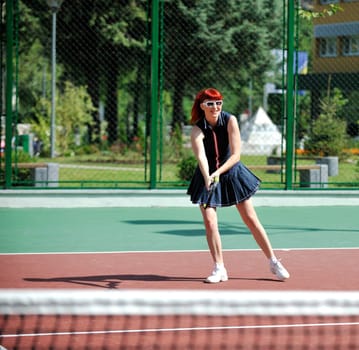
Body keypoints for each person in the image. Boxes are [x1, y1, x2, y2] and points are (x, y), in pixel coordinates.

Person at [187, 88, 290, 283]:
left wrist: (217, 173)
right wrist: (208, 176)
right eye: (210, 103)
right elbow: (201, 155)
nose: (215, 107)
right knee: (210, 221)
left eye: (219, 103)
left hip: (231, 173)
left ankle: (273, 261)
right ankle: (219, 268)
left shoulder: (230, 120)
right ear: (202, 106)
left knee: (250, 218)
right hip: (206, 176)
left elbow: (236, 155)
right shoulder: (197, 129)